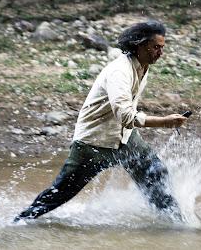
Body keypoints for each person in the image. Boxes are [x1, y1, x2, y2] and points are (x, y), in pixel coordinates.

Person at [14, 21, 188, 222]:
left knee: (155, 172)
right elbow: (125, 116)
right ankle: (17, 222)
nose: (160, 52)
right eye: (156, 47)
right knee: (59, 194)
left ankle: (176, 222)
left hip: (125, 138)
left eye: (162, 48)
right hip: (94, 142)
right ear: (140, 45)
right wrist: (164, 122)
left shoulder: (143, 66)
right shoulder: (119, 71)